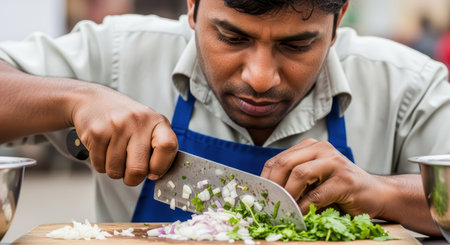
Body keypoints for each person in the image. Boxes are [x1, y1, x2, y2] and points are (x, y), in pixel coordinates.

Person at [0, 0, 449, 237]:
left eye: (296, 45)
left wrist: (382, 191)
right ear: (192, 7)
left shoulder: (406, 84)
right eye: (232, 36)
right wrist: (74, 99)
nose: (259, 78)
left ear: (338, 20)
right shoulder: (118, 54)